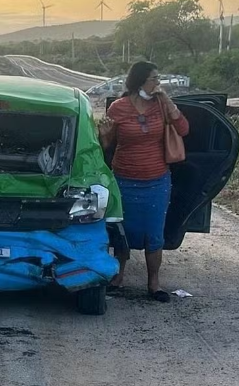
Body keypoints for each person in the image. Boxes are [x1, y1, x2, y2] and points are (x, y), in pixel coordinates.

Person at [98, 61, 189, 302]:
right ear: (139, 81)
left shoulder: (160, 105)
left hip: (156, 181)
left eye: (158, 79)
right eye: (154, 79)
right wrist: (104, 137)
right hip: (124, 179)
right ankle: (118, 277)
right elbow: (106, 147)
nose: (157, 83)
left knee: (154, 232)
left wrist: (166, 99)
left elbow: (183, 127)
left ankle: (154, 283)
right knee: (122, 230)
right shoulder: (118, 108)